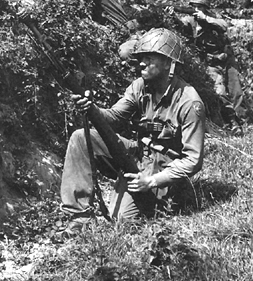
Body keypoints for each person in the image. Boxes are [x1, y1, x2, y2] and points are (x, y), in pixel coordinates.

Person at [59, 28, 206, 231]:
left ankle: (151, 199)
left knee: (122, 221)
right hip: (138, 156)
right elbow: (114, 117)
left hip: (164, 173)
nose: (142, 63)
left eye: (149, 58)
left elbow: (193, 160)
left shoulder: (189, 102)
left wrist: (152, 181)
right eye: (141, 58)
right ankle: (79, 217)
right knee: (81, 138)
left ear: (167, 63)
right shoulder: (140, 86)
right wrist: (91, 108)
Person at [172, 0, 247, 135]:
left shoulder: (213, 18)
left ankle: (244, 122)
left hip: (227, 60)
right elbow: (181, 27)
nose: (197, 10)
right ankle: (231, 123)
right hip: (211, 63)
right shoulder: (191, 21)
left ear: (206, 7)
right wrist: (172, 16)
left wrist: (205, 18)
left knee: (236, 92)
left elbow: (224, 26)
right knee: (220, 93)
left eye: (200, 7)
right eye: (194, 6)